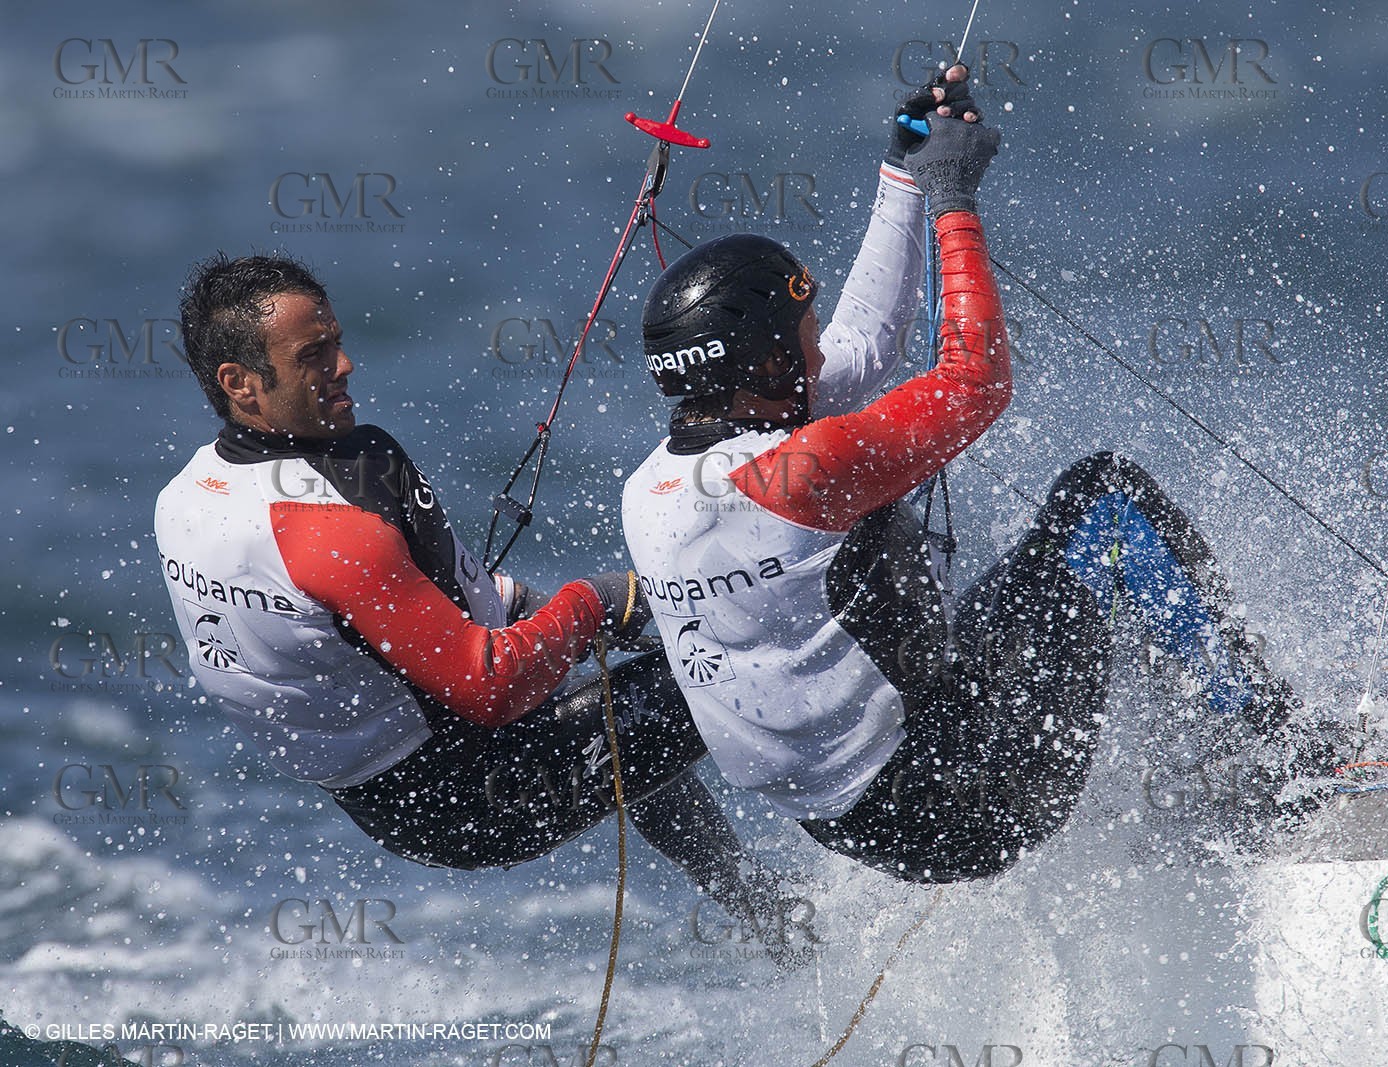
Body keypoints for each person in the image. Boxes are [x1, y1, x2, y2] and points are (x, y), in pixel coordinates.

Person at [620, 68, 1314, 883]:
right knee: (1106, 508)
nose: (820, 353)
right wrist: (952, 194)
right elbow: (974, 381)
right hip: (967, 802)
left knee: (1011, 588)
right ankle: (1283, 752)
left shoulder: (655, 486)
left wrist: (901, 173)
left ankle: (1209, 760)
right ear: (766, 367)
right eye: (805, 339)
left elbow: (865, 348)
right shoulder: (795, 476)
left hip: (867, 818)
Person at [153, 253, 780, 926]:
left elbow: (380, 618)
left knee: (618, 705)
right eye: (314, 354)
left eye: (337, 342)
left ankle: (768, 917)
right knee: (743, 656)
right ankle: (875, 841)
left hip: (386, 798)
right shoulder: (332, 530)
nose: (343, 365)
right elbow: (489, 684)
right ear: (241, 384)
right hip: (474, 796)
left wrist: (530, 607)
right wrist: (593, 600)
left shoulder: (185, 496)